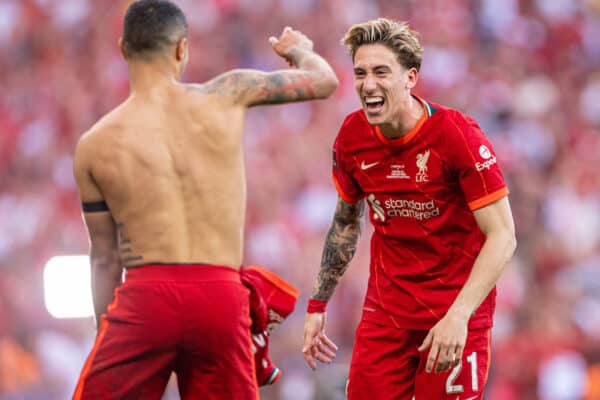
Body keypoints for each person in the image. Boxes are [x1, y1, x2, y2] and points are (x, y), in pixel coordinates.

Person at [71, 0, 338, 399]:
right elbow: (325, 80)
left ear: (124, 48)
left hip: (146, 299)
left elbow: (105, 258)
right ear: (182, 48)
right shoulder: (228, 93)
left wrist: (105, 332)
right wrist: (298, 49)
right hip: (220, 297)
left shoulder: (93, 145)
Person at [302, 18, 516, 400]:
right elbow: (346, 225)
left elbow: (503, 236)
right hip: (386, 317)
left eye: (381, 72)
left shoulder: (456, 135)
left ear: (410, 78)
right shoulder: (352, 138)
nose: (368, 84)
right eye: (361, 73)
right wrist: (318, 304)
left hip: (452, 316)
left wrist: (459, 316)